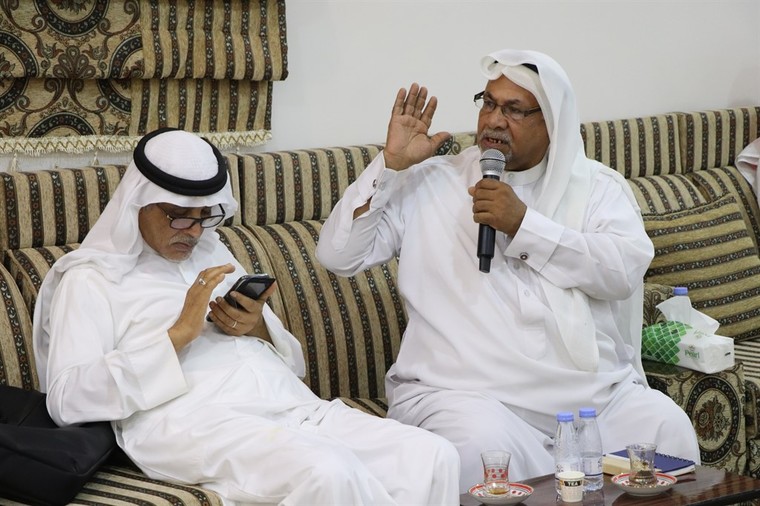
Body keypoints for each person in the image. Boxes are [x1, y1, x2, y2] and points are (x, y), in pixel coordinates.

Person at [316, 49, 701, 492]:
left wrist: (524, 226)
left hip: (588, 398)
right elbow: (338, 256)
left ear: (552, 122)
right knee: (479, 447)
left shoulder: (598, 189)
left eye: (514, 109)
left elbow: (621, 272)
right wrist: (390, 165)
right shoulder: (432, 181)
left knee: (665, 426)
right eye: (488, 103)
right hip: (465, 396)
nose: (494, 120)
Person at [32, 127, 460, 505]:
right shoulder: (91, 278)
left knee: (430, 456)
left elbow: (291, 363)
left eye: (205, 217)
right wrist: (177, 336)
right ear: (138, 203)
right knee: (327, 472)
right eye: (180, 218)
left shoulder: (210, 251)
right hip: (193, 422)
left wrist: (256, 327)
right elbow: (67, 400)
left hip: (287, 406)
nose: (194, 232)